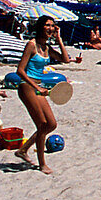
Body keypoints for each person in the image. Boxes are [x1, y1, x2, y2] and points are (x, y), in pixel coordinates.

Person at [14, 16, 74, 174]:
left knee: (51, 124)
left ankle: (23, 150)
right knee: (42, 125)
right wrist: (37, 87)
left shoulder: (46, 47)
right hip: (27, 86)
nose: (51, 28)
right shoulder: (31, 45)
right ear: (40, 27)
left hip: (38, 87)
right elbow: (19, 70)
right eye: (48, 25)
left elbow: (65, 60)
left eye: (53, 26)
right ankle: (42, 164)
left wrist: (60, 39)